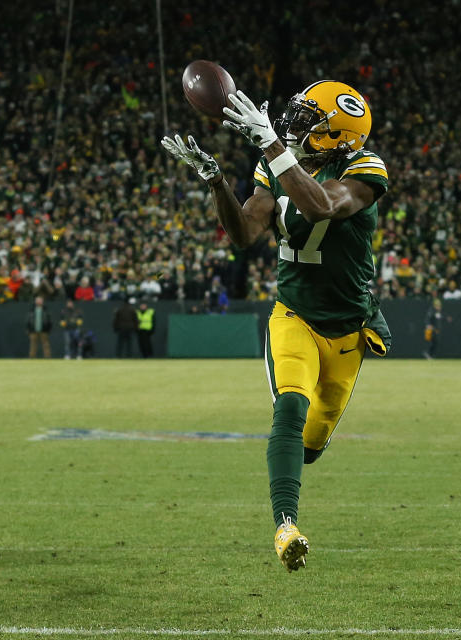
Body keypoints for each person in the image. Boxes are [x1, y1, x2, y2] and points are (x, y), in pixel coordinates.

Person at [162, 79, 391, 572]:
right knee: (289, 407)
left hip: (349, 329)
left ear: (340, 137)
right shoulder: (276, 162)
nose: (295, 125)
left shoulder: (364, 168)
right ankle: (286, 526)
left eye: (312, 121)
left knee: (309, 445)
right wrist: (216, 181)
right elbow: (245, 233)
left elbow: (322, 205)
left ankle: (293, 474)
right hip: (295, 315)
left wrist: (270, 146)